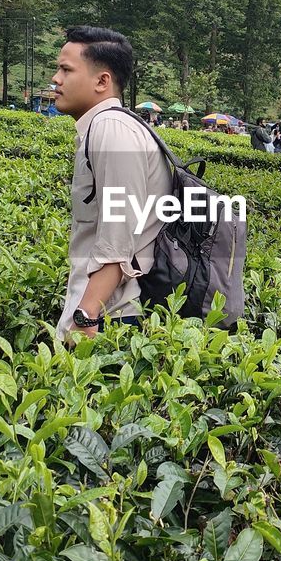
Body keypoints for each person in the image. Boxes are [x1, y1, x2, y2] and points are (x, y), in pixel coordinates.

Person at [52, 26, 172, 343]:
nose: (56, 79)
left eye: (66, 69)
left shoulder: (111, 129)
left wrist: (85, 314)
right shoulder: (105, 128)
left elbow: (118, 239)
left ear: (102, 81)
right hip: (106, 312)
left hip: (110, 317)